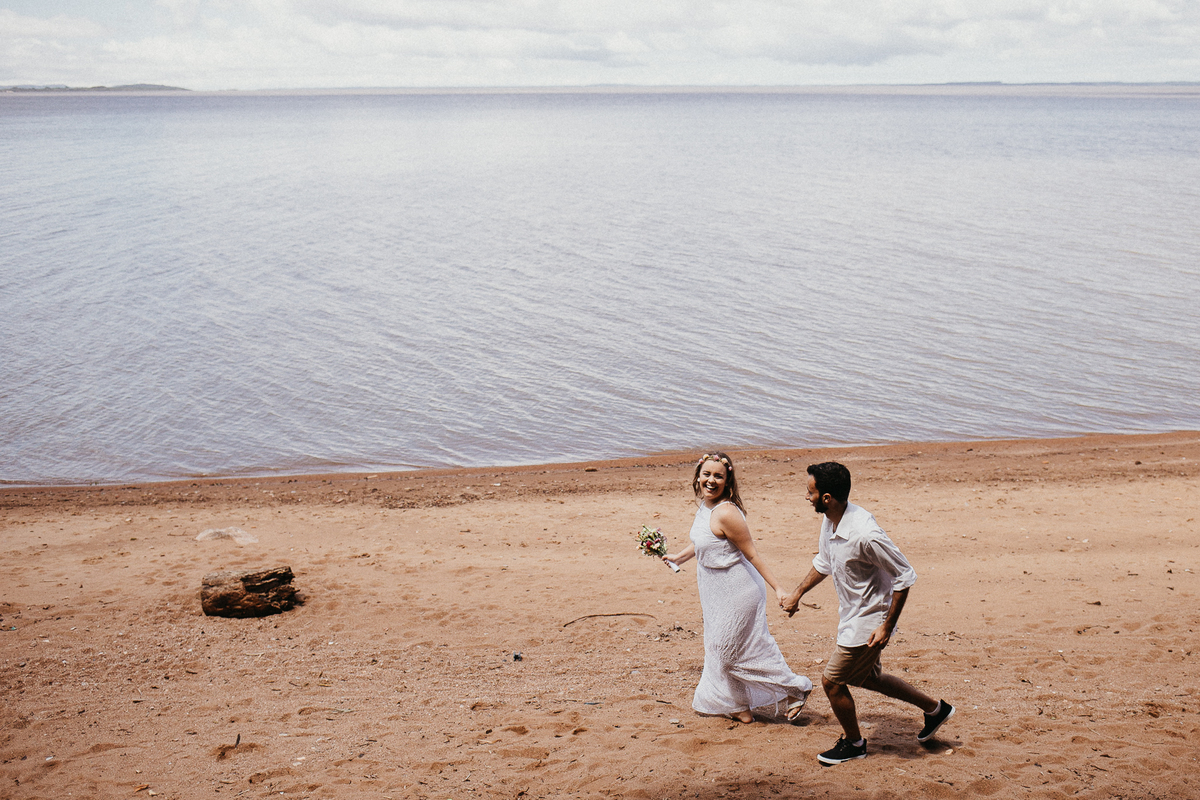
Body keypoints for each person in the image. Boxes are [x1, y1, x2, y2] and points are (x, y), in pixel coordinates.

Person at [782, 461, 954, 765]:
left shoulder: (865, 533)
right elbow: (824, 561)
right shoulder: (832, 520)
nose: (806, 497)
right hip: (851, 613)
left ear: (826, 497)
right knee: (869, 678)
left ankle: (854, 743)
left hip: (871, 618)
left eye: (810, 492)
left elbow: (905, 575)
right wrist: (797, 593)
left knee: (832, 682)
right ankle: (935, 709)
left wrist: (887, 626)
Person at [664, 452, 812, 724]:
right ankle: (739, 706)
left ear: (728, 482)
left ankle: (795, 688)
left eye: (718, 476)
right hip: (715, 591)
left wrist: (779, 589)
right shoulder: (705, 507)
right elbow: (701, 541)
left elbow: (753, 555)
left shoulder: (727, 513)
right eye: (706, 474)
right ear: (698, 477)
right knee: (719, 649)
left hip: (739, 590)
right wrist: (678, 557)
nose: (711, 480)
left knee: (726, 652)